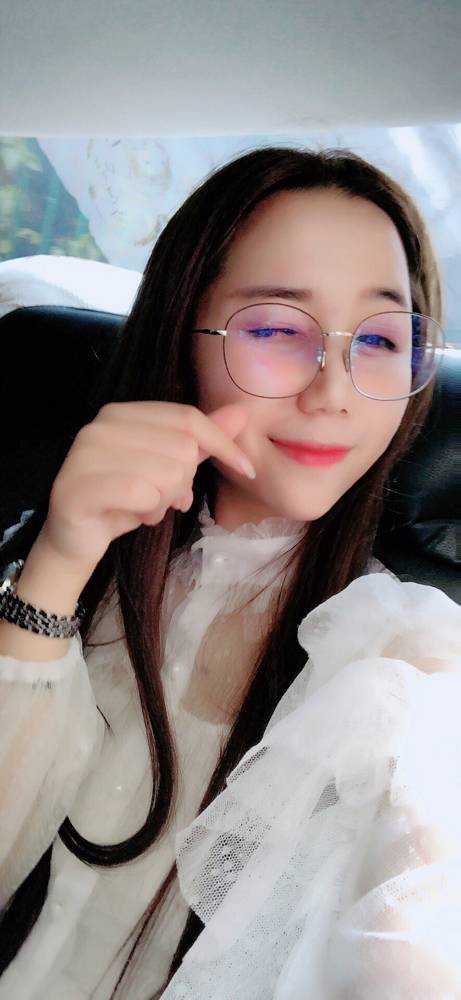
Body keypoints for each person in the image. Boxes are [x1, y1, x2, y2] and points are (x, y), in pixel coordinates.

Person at [0, 147, 459, 1000]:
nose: (332, 392)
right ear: (183, 331)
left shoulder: (400, 657)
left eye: (378, 339)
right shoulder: (48, 553)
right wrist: (59, 564)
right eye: (277, 329)